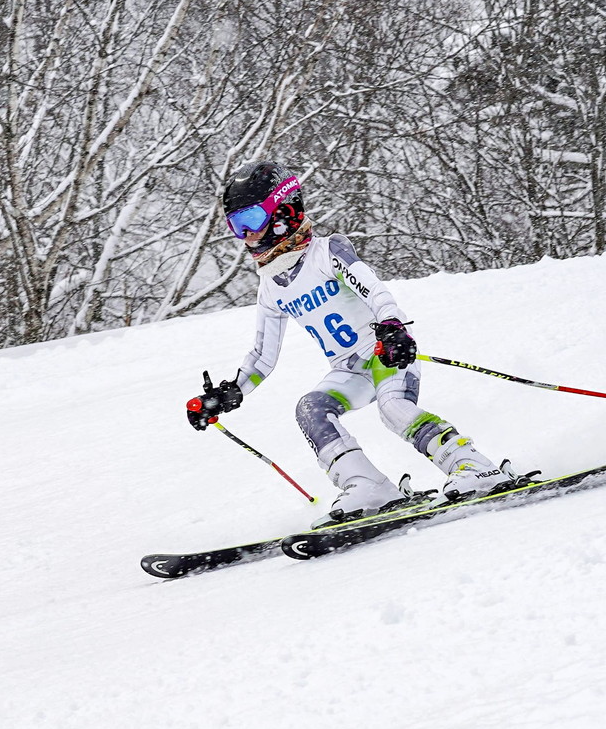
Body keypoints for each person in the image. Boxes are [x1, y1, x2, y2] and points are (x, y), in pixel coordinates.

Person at [186, 159, 519, 527]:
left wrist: (393, 327)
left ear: (284, 211)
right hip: (349, 370)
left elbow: (374, 289)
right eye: (236, 226)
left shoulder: (327, 253)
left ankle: (475, 467)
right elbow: (263, 356)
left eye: (251, 220)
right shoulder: (270, 286)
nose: (245, 236)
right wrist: (232, 392)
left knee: (393, 409)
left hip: (385, 352)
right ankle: (369, 487)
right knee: (310, 408)